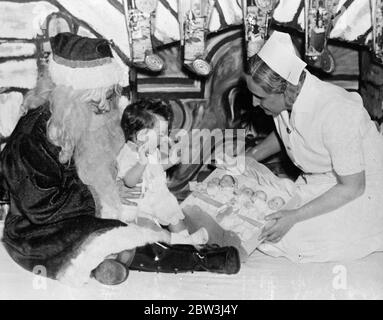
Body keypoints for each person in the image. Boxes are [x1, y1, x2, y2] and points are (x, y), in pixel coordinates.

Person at [0, 32, 240, 286]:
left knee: (121, 237)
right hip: (39, 232)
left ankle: (108, 264)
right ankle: (200, 259)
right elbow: (39, 204)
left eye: (109, 96)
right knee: (123, 237)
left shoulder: (78, 118)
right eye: (97, 100)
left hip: (79, 216)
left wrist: (113, 186)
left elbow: (105, 166)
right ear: (72, 95)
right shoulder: (33, 137)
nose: (106, 107)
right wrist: (98, 196)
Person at [244, 31, 383, 262]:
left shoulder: (336, 111)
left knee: (286, 236)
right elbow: (289, 132)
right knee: (261, 214)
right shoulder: (285, 100)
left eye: (259, 97)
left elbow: (352, 187)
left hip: (364, 190)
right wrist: (252, 155)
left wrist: (295, 216)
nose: (254, 103)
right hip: (324, 181)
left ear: (285, 90)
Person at [117, 99, 208, 245]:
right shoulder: (128, 153)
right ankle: (179, 241)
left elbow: (155, 169)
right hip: (137, 205)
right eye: (160, 134)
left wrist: (171, 161)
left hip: (155, 196)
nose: (164, 138)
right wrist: (141, 163)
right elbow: (129, 181)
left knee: (171, 210)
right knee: (151, 230)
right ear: (141, 136)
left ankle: (186, 239)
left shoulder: (152, 151)